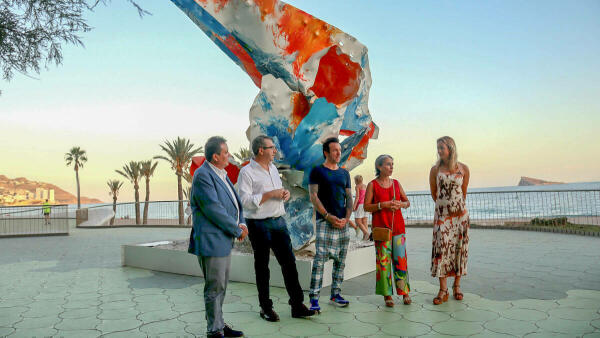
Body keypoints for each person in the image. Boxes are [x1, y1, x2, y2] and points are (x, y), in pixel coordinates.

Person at [237, 135, 316, 322]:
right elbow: (244, 202)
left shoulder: (273, 168)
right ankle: (265, 308)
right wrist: (270, 194)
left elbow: (277, 193)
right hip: (258, 224)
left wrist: (284, 194)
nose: (275, 150)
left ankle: (297, 305)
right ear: (260, 150)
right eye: (271, 147)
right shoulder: (246, 172)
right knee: (262, 267)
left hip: (279, 221)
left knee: (289, 264)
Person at [189, 136, 248, 338]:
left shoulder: (220, 174)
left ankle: (219, 325)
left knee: (221, 285)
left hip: (222, 240)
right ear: (215, 156)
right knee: (214, 287)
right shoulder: (202, 175)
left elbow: (235, 204)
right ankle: (214, 330)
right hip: (211, 240)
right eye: (225, 153)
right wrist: (237, 229)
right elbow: (214, 209)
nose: (229, 156)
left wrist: (242, 222)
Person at [307, 137, 353, 312]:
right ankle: (314, 298)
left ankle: (336, 294)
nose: (338, 153)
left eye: (339, 150)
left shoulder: (344, 173)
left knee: (341, 261)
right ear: (326, 152)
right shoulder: (317, 171)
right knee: (320, 261)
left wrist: (347, 218)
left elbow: (349, 197)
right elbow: (313, 196)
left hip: (343, 223)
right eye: (335, 150)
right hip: (325, 222)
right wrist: (327, 216)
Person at [364, 155, 411, 307]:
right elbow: (366, 207)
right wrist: (382, 205)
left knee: (401, 261)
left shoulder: (396, 183)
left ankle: (404, 293)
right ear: (379, 167)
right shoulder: (372, 185)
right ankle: (387, 295)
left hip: (398, 228)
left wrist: (400, 205)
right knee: (383, 263)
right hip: (381, 229)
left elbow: (407, 202)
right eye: (388, 164)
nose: (391, 167)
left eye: (392, 164)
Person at [429, 136, 470, 305]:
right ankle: (443, 289)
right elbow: (434, 192)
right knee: (441, 252)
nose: (439, 151)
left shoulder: (464, 169)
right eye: (438, 148)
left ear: (450, 149)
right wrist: (443, 210)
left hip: (460, 218)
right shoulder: (435, 170)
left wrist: (457, 210)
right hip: (442, 218)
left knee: (459, 250)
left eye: (441, 148)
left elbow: (464, 191)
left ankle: (457, 286)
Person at [350, 175, 369, 240]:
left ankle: (366, 233)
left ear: (356, 181)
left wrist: (354, 206)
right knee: (364, 221)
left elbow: (357, 197)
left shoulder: (357, 186)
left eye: (355, 181)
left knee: (357, 221)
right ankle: (365, 236)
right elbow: (367, 195)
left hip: (360, 205)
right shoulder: (365, 186)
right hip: (365, 204)